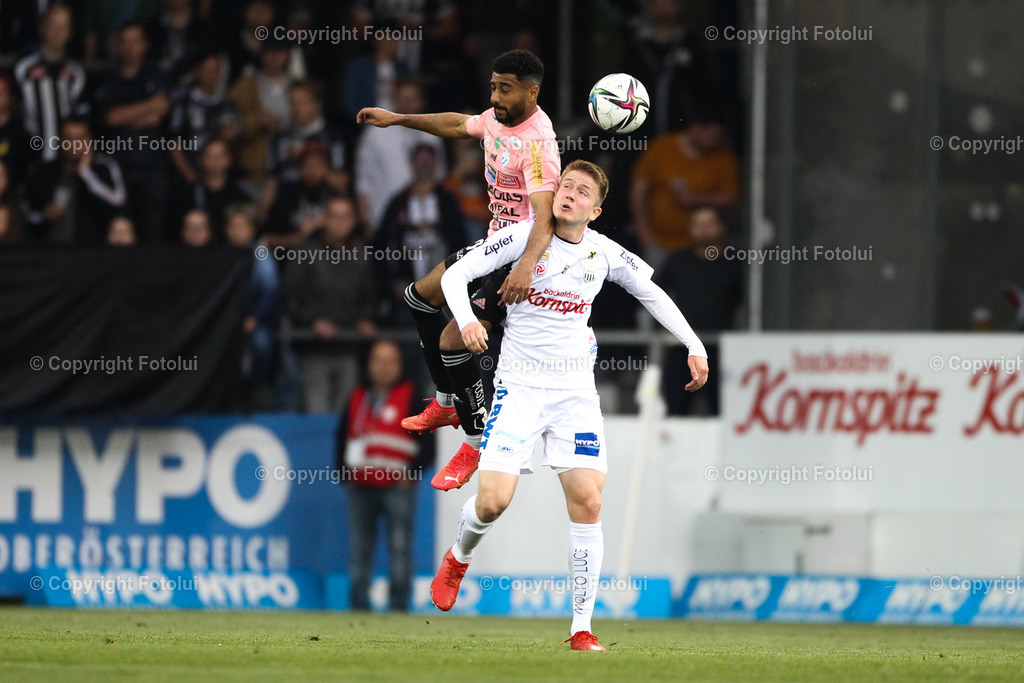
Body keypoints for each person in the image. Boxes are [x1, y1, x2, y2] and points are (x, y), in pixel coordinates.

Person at [430, 160, 708, 650]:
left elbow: (652, 292)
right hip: (517, 388)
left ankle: (581, 628)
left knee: (589, 501)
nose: (570, 194)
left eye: (582, 191)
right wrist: (466, 320)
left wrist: (694, 345)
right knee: (493, 501)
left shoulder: (604, 252)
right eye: (566, 186)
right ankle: (458, 556)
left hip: (575, 394)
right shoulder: (523, 236)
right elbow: (457, 275)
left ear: (595, 210)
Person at [357, 48, 560, 492]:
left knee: (454, 339)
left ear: (532, 91)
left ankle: (474, 442)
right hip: (493, 243)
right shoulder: (495, 119)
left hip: (523, 256)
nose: (496, 96)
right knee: (419, 297)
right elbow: (455, 123)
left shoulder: (538, 143)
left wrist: (525, 268)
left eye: (505, 89)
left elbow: (545, 218)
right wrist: (398, 118)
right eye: (492, 86)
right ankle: (448, 401)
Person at [335, 339, 435, 612]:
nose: (383, 367)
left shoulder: (412, 395)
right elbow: (341, 437)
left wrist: (411, 472)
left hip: (397, 488)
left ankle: (399, 606)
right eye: (378, 360)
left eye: (390, 360)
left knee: (400, 547)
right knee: (359, 549)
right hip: (360, 487)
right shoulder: (357, 396)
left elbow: (428, 443)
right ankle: (357, 604)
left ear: (400, 365)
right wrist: (344, 474)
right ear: (368, 365)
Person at [283, 195, 376, 412]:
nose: (340, 222)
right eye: (334, 216)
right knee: (317, 414)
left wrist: (365, 318)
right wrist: (312, 321)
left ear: (354, 220)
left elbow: (370, 295)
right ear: (324, 219)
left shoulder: (363, 254)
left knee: (346, 416)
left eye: (345, 217)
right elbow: (289, 296)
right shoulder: (304, 251)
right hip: (314, 347)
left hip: (349, 345)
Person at [93, 21, 172, 244]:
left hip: (153, 166)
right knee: (120, 229)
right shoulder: (108, 79)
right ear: (117, 45)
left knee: (152, 232)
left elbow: (160, 111)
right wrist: (146, 108)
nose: (130, 47)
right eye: (124, 42)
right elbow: (109, 118)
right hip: (118, 167)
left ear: (145, 45)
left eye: (135, 42)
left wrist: (125, 115)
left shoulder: (156, 73)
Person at [630, 108, 740, 269]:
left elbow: (732, 197)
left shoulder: (723, 158)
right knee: (655, 290)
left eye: (719, 136)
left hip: (700, 247)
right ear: (695, 128)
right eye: (713, 135)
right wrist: (643, 231)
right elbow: (638, 190)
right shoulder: (662, 148)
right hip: (658, 242)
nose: (715, 140)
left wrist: (697, 198)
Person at [658, 206, 742, 415]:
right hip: (681, 349)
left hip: (721, 348)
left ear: (722, 227)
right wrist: (661, 330)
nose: (704, 229)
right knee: (676, 411)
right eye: (698, 224)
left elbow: (750, 304)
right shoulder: (678, 261)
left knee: (723, 412)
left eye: (709, 223)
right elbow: (653, 295)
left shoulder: (735, 262)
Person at [355, 77, 446, 233]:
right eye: (403, 97)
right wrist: (366, 218)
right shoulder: (375, 132)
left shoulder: (432, 132)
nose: (407, 103)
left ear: (421, 101)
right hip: (382, 215)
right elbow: (363, 177)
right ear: (393, 98)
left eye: (412, 98)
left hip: (425, 222)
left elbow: (440, 174)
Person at [23, 117, 127, 245]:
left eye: (79, 138)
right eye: (68, 138)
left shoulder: (104, 168)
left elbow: (119, 203)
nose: (73, 144)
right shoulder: (42, 172)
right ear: (59, 140)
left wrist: (87, 174)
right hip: (48, 254)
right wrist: (44, 215)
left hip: (95, 252)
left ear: (90, 140)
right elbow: (23, 212)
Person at [14, 5, 87, 164]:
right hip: (29, 154)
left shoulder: (76, 73)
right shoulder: (23, 69)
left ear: (70, 33)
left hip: (65, 157)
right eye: (53, 25)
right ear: (42, 29)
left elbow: (79, 115)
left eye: (63, 27)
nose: (57, 32)